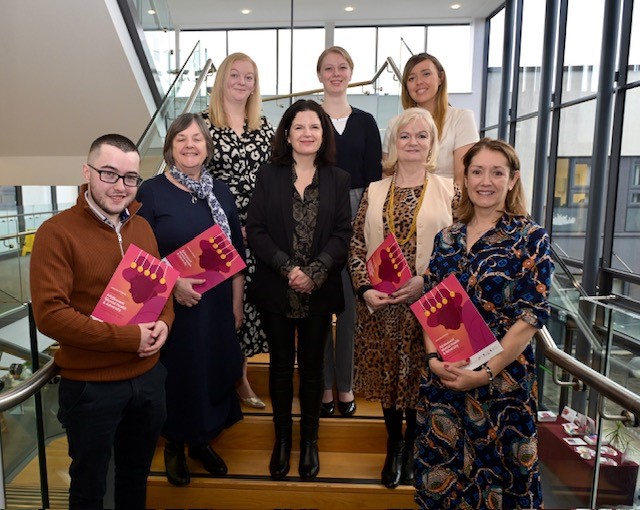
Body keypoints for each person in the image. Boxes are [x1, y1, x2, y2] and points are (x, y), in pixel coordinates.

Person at [30, 134, 174, 509]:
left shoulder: (142, 227)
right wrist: (129, 339)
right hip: (92, 388)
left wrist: (166, 324)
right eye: (109, 174)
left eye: (130, 177)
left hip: (148, 378)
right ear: (87, 172)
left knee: (134, 478)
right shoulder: (56, 232)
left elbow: (162, 291)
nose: (120, 186)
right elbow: (51, 315)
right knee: (89, 490)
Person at [414, 138, 553, 509]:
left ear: (512, 180)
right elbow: (431, 306)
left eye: (497, 172)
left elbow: (529, 320)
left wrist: (485, 373)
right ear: (466, 176)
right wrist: (433, 362)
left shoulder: (531, 239)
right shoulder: (447, 238)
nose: (485, 181)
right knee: (444, 485)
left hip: (503, 387)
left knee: (502, 484)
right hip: (446, 379)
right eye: (477, 171)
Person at [136, 113, 245, 487]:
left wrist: (236, 305)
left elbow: (236, 255)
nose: (189, 145)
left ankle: (202, 442)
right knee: (179, 374)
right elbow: (138, 255)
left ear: (207, 147)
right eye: (181, 138)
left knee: (213, 369)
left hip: (216, 306)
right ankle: (174, 444)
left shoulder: (222, 192)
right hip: (172, 306)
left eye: (197, 138)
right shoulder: (150, 192)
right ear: (170, 147)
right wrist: (173, 283)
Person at [246, 99, 352, 481]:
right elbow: (255, 229)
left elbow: (343, 235)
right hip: (276, 289)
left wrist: (315, 271)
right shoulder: (268, 175)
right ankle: (282, 442)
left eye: (315, 127)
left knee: (311, 370)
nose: (307, 134)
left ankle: (309, 441)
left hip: (319, 292)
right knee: (278, 369)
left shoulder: (339, 179)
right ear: (287, 134)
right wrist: (288, 268)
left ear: (324, 135)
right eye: (299, 127)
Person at [349, 108, 453, 489]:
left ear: (431, 143)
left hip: (429, 306)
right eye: (405, 136)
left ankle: (413, 447)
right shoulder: (375, 190)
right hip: (383, 307)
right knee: (390, 381)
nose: (412, 142)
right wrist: (364, 288)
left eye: (421, 136)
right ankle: (394, 447)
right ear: (394, 143)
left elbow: (459, 249)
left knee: (419, 380)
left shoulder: (449, 189)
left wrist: (427, 281)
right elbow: (357, 244)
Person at [203, 52, 275, 409]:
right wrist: (230, 226)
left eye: (250, 77)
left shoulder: (263, 125)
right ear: (222, 80)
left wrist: (258, 225)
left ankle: (241, 377)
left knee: (246, 308)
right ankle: (217, 381)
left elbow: (277, 177)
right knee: (221, 308)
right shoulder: (203, 124)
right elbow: (193, 178)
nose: (242, 82)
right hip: (216, 230)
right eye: (235, 75)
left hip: (258, 232)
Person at [316, 46, 382, 418]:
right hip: (321, 212)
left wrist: (370, 229)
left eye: (342, 67)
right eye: (329, 68)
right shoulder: (311, 119)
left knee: (354, 310)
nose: (336, 73)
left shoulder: (366, 121)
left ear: (351, 72)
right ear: (320, 74)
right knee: (322, 308)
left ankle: (347, 385)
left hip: (361, 212)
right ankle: (325, 385)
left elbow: (374, 178)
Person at [382, 53, 479, 206]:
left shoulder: (461, 118)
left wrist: (448, 211)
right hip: (403, 207)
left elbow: (463, 177)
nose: (419, 82)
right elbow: (387, 174)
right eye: (411, 78)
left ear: (440, 78)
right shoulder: (395, 123)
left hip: (447, 206)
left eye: (426, 74)